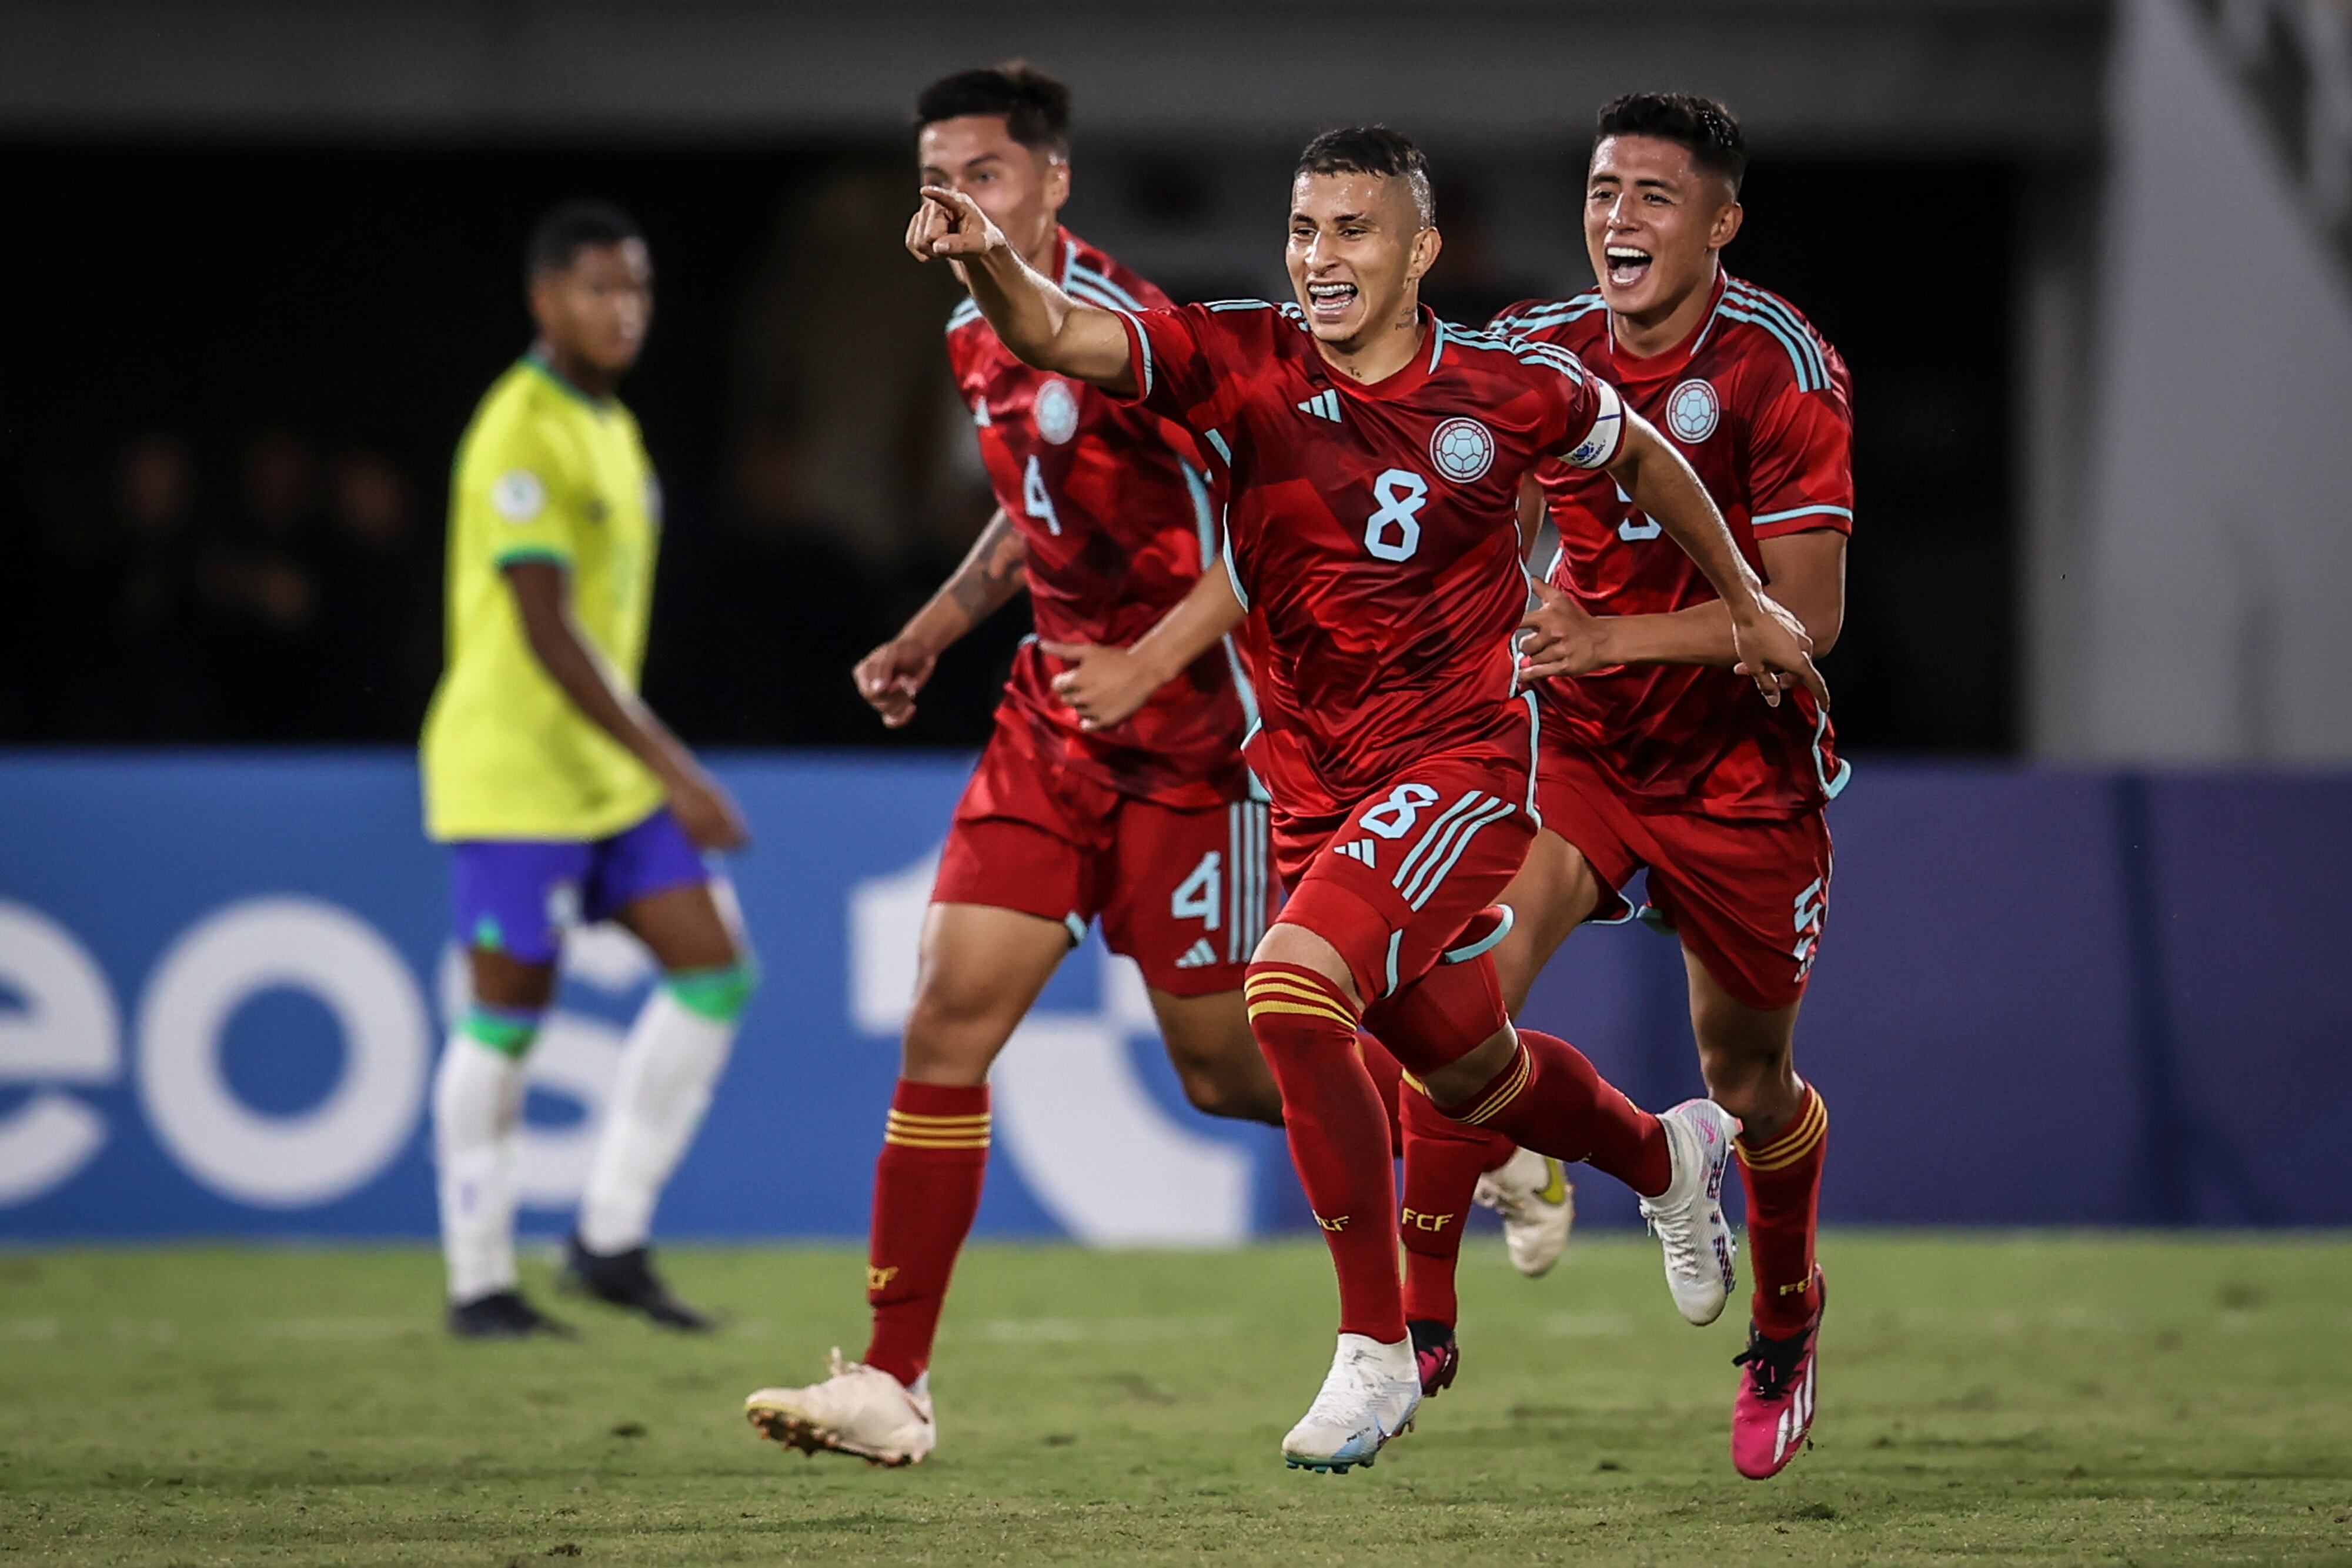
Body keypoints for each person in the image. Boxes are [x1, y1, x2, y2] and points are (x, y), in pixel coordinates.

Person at [914, 123, 1826, 1472]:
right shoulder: (1238, 358)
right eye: (1300, 231)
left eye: (1350, 231)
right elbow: (1066, 335)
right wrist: (990, 262)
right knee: (1468, 1065)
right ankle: (1663, 1160)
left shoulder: (1508, 389)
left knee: (1285, 990)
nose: (1318, 259)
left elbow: (1639, 457)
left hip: (1456, 771)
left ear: (1419, 251)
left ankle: (1374, 1346)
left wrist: (1744, 598)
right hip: (1310, 789)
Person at [743, 62, 1290, 1470]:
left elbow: (1273, 531)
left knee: (1225, 1076)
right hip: (1049, 732)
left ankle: (1472, 1111)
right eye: (935, 176)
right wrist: (928, 630)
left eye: (982, 174)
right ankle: (892, 1378)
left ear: (1052, 181)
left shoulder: (1132, 329)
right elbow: (1026, 516)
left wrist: (1152, 663)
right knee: (944, 1024)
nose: (954, 200)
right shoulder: (967, 335)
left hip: (1194, 753)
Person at [1399, 92, 1850, 1480]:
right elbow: (1500, 505)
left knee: (1749, 1076)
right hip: (1581, 748)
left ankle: (1783, 1318)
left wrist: (1606, 633)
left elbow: (1804, 621)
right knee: (1452, 988)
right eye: (1603, 191)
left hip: (1739, 765)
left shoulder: (1782, 367)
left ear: (1718, 223)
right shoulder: (1540, 345)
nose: (1618, 219)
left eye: (1653, 196)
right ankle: (1405, 1331)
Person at [420, 199, 756, 1339]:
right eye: (600, 289)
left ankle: (607, 1235)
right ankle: (479, 1278)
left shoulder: (608, 423)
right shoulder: (521, 427)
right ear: (544, 300)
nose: (625, 311)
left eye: (639, 290)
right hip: (518, 772)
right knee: (508, 1016)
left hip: (602, 774)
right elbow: (547, 629)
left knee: (714, 968)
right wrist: (676, 767)